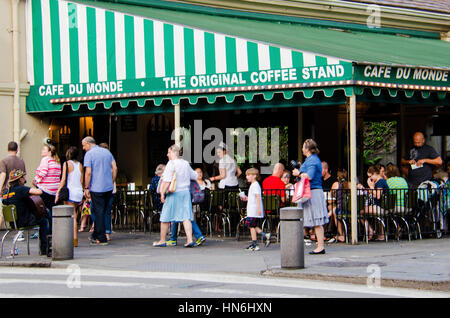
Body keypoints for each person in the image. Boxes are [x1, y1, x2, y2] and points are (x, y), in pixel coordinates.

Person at [153, 144, 197, 248]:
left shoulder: (171, 164)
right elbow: (194, 175)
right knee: (186, 217)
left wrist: (162, 193)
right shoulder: (186, 163)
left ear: (174, 153)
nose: (167, 154)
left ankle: (162, 240)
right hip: (185, 193)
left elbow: (167, 180)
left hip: (174, 193)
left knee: (165, 216)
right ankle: (189, 239)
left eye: (169, 152)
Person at [292, 139, 329, 254]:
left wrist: (298, 173)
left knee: (316, 220)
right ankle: (320, 245)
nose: (302, 149)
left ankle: (320, 246)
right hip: (312, 191)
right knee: (315, 220)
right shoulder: (312, 160)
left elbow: (310, 176)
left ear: (307, 149)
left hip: (313, 192)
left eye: (303, 147)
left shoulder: (312, 160)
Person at [2, 169, 49, 255]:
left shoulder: (6, 193)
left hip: (13, 223)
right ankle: (45, 248)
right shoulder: (21, 189)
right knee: (44, 219)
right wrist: (36, 185)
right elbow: (39, 192)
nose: (24, 178)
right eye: (23, 177)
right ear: (20, 179)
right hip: (24, 222)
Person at [82, 136, 117, 245]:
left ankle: (101, 238)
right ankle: (95, 234)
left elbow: (88, 172)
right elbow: (115, 168)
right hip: (108, 187)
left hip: (96, 187)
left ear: (88, 144)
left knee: (98, 212)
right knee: (103, 211)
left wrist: (86, 187)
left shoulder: (89, 154)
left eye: (83, 145)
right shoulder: (107, 152)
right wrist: (112, 181)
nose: (83, 148)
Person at [55, 146, 83, 247]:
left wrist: (58, 192)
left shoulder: (66, 164)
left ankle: (74, 238)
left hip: (70, 191)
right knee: (74, 213)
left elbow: (63, 180)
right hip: (78, 191)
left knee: (72, 216)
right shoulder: (80, 165)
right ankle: (73, 238)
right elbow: (81, 181)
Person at [239, 168, 271, 251]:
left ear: (254, 176)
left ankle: (255, 244)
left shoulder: (255, 185)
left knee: (251, 225)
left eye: (249, 175)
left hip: (254, 210)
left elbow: (258, 197)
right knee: (252, 225)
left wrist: (259, 208)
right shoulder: (254, 185)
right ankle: (264, 235)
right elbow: (254, 197)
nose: (247, 177)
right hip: (252, 209)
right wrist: (247, 198)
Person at [33, 144, 61, 231]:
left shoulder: (45, 160)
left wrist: (36, 181)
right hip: (54, 191)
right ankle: (52, 231)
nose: (42, 151)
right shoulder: (57, 161)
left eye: (44, 149)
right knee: (52, 211)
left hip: (45, 189)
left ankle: (43, 231)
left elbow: (43, 172)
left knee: (41, 212)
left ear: (49, 152)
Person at [0, 141, 26, 229]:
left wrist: (0, 188)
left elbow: (3, 175)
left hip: (7, 192)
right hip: (20, 191)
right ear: (17, 150)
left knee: (3, 214)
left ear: (7, 149)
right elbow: (24, 176)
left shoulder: (4, 161)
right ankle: (20, 233)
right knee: (19, 212)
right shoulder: (21, 161)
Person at [362, 165, 389, 241]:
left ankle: (370, 230)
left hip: (381, 206)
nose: (370, 179)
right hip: (382, 206)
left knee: (359, 212)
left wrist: (371, 187)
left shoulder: (380, 182)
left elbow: (378, 196)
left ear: (374, 174)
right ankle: (379, 233)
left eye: (370, 177)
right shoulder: (380, 181)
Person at [99, 142, 117, 241]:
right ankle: (107, 232)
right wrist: (112, 181)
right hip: (111, 189)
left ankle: (100, 231)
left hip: (101, 188)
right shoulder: (111, 157)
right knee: (107, 211)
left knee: (97, 210)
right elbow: (115, 168)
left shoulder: (100, 158)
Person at [329, 169, 351, 243]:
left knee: (333, 211)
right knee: (333, 210)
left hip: (340, 208)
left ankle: (341, 234)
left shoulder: (336, 184)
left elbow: (330, 198)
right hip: (350, 209)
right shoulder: (350, 184)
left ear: (338, 177)